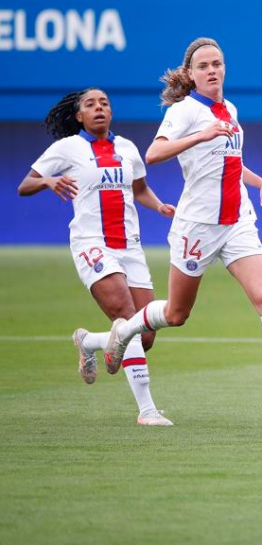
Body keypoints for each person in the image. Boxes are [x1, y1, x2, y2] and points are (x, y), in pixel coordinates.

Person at [96, 37, 262, 421]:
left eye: (217, 63)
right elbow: (153, 154)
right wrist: (199, 134)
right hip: (198, 226)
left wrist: (259, 182)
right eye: (203, 65)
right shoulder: (184, 111)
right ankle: (124, 332)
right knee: (176, 314)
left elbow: (228, 159)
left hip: (236, 221)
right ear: (191, 74)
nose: (212, 70)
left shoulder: (230, 108)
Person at [17, 88, 176, 427]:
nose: (99, 108)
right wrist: (48, 180)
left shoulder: (127, 148)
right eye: (90, 104)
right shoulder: (68, 148)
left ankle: (88, 342)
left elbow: (139, 189)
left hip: (130, 247)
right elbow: (24, 185)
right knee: (126, 317)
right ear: (79, 116)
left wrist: (159, 205)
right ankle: (147, 410)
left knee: (144, 336)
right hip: (92, 243)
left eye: (104, 103)